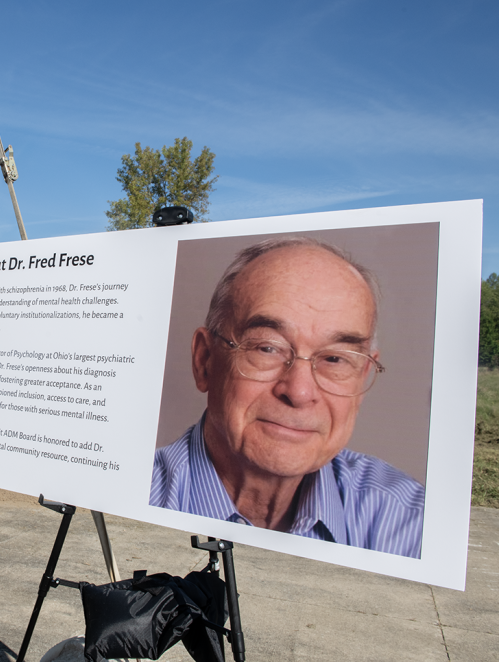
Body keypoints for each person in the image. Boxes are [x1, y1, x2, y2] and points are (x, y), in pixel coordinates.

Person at [149, 237, 425, 558]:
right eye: (267, 348)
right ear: (205, 361)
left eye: (335, 359)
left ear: (362, 375)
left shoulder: (410, 524)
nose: (299, 392)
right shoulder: (126, 499)